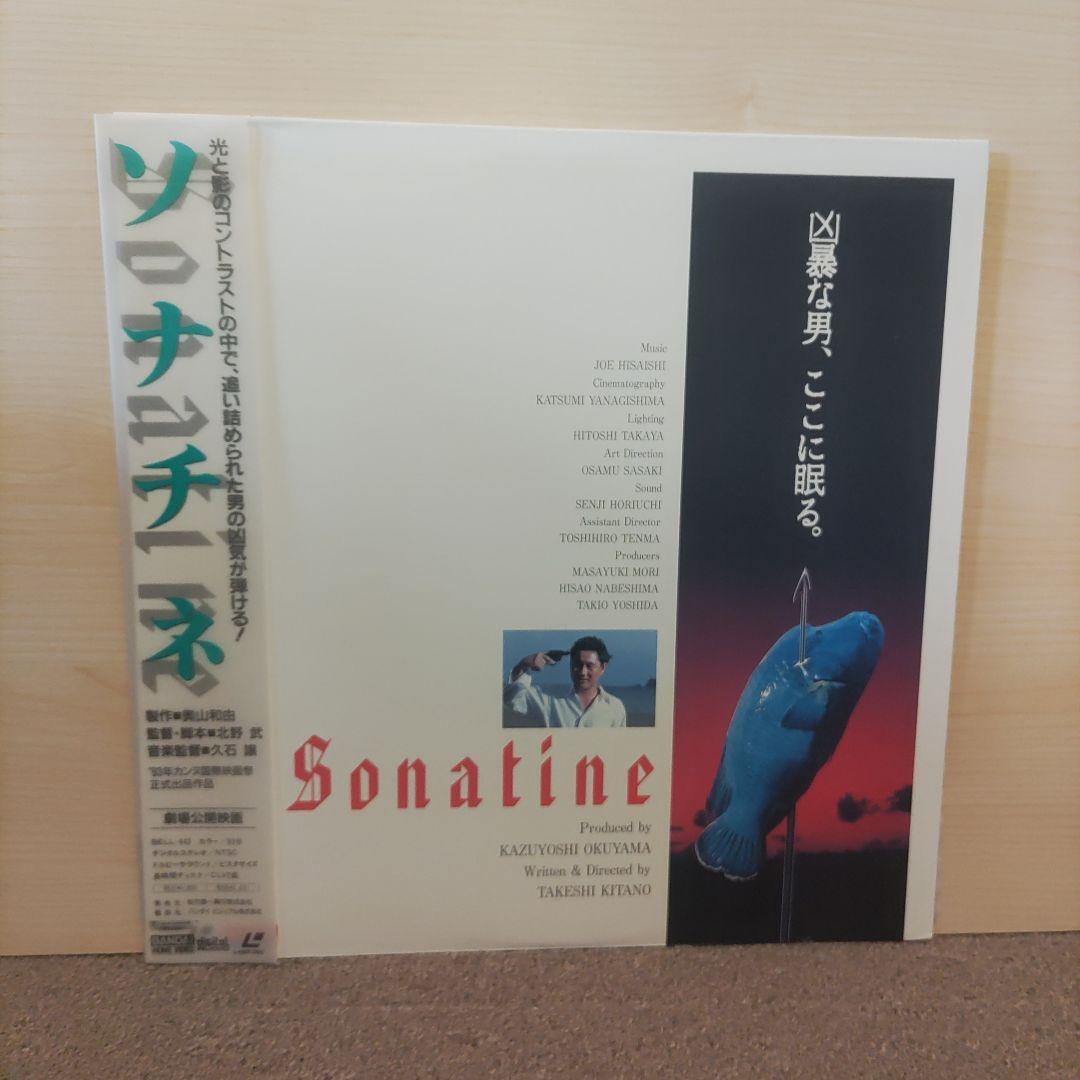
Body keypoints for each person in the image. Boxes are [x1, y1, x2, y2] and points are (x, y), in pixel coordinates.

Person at [503, 635, 626, 728]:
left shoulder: (615, 707)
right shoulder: (550, 700)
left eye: (589, 666)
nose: (583, 672)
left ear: (603, 667)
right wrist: (524, 663)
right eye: (577, 665)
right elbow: (511, 698)